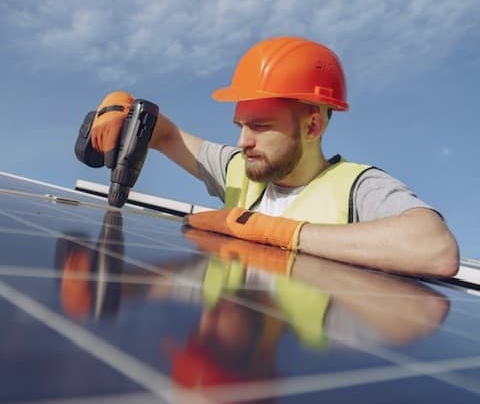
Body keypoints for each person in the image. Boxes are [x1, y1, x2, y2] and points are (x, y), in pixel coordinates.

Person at [87, 36, 459, 277]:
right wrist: (124, 106)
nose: (243, 141)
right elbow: (164, 133)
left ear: (312, 128)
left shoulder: (355, 187)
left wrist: (277, 233)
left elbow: (435, 249)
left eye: (261, 127)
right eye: (240, 124)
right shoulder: (242, 169)